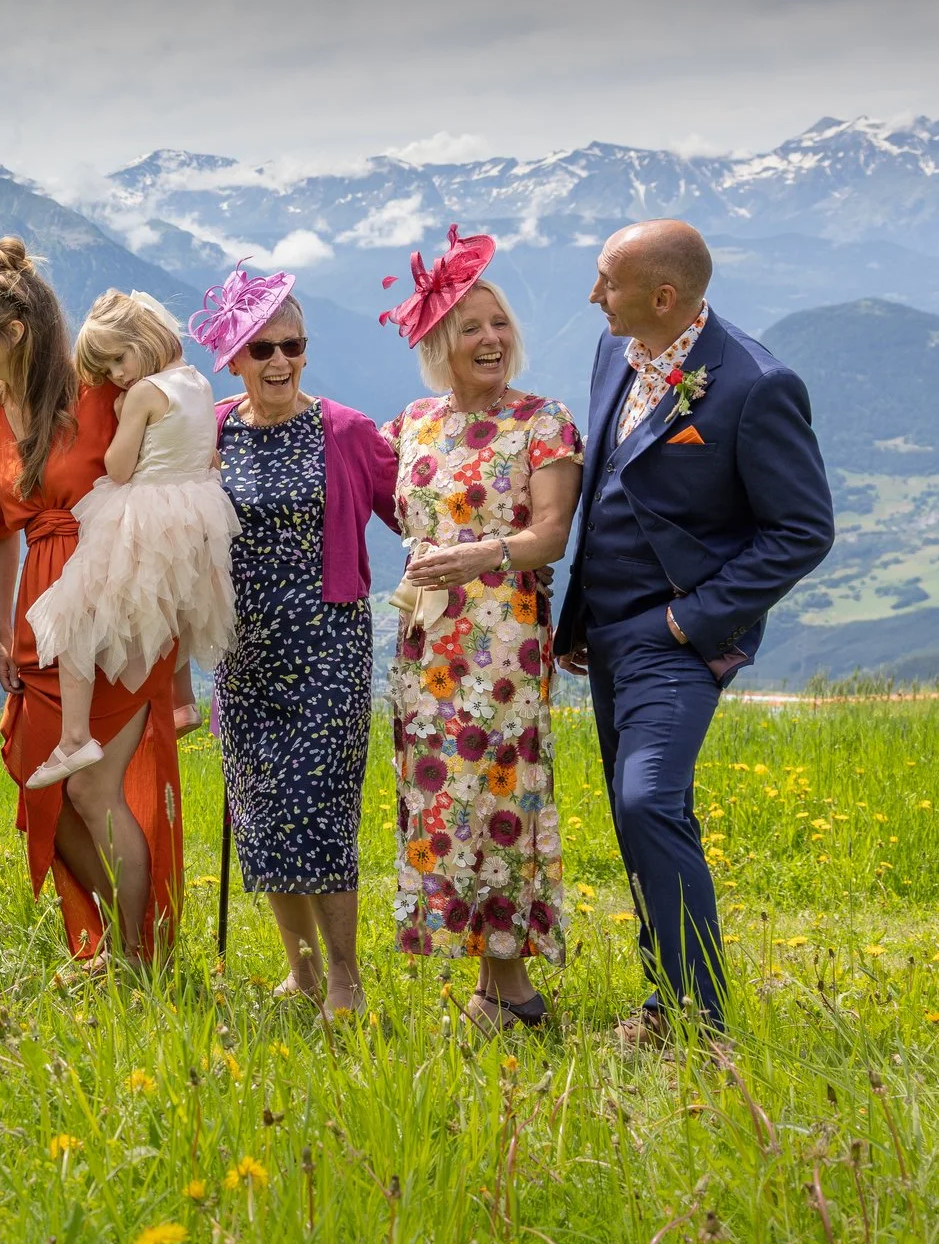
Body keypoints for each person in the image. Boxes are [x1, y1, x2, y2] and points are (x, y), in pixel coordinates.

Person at [558, 219, 833, 1045]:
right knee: (638, 809)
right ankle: (665, 1000)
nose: (594, 294)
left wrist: (689, 620)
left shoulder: (755, 386)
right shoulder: (616, 350)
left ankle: (696, 1020)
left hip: (676, 638)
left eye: (607, 279)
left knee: (647, 801)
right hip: (604, 634)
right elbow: (610, 478)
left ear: (663, 296)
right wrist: (578, 621)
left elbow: (802, 530)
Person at [0, 238, 184, 964]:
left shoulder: (104, 392)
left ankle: (139, 959)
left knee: (91, 792)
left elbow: (170, 472)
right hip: (35, 616)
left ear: (13, 332)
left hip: (111, 603)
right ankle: (123, 937)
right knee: (40, 781)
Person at [378, 231, 584, 1033]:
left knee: (501, 793)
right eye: (471, 328)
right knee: (441, 803)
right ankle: (490, 988)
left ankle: (514, 993)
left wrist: (474, 557)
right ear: (440, 346)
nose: (491, 339)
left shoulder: (544, 421)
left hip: (504, 648)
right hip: (427, 648)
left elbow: (551, 534)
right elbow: (372, 489)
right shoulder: (416, 426)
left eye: (498, 324)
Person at [198, 268, 398, 1014]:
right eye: (262, 348)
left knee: (321, 806)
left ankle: (345, 976)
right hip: (243, 651)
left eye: (293, 345)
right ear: (236, 359)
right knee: (259, 809)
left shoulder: (344, 430)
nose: (279, 361)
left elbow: (412, 509)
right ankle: (302, 970)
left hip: (326, 644)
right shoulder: (213, 429)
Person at [24, 290, 236, 787]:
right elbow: (210, 456)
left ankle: (74, 737)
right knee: (172, 605)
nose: (118, 375)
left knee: (74, 614)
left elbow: (118, 469)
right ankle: (182, 701)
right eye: (108, 369)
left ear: (146, 337)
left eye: (120, 358)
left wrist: (123, 414)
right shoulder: (200, 383)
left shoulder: (143, 394)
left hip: (143, 509)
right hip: (195, 510)